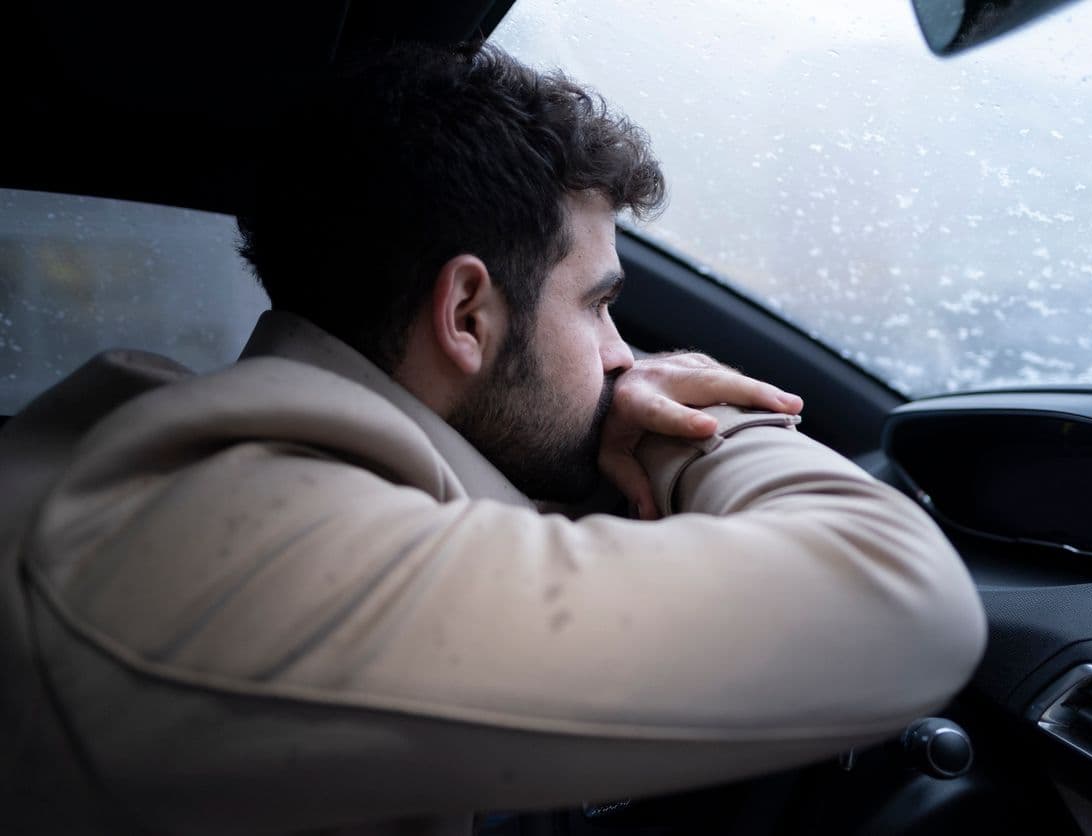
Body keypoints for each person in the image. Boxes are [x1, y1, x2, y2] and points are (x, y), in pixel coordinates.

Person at [0, 42, 986, 835]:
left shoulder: (242, 479)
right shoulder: (230, 539)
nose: (622, 358)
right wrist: (704, 427)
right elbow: (907, 600)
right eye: (599, 307)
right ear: (468, 313)